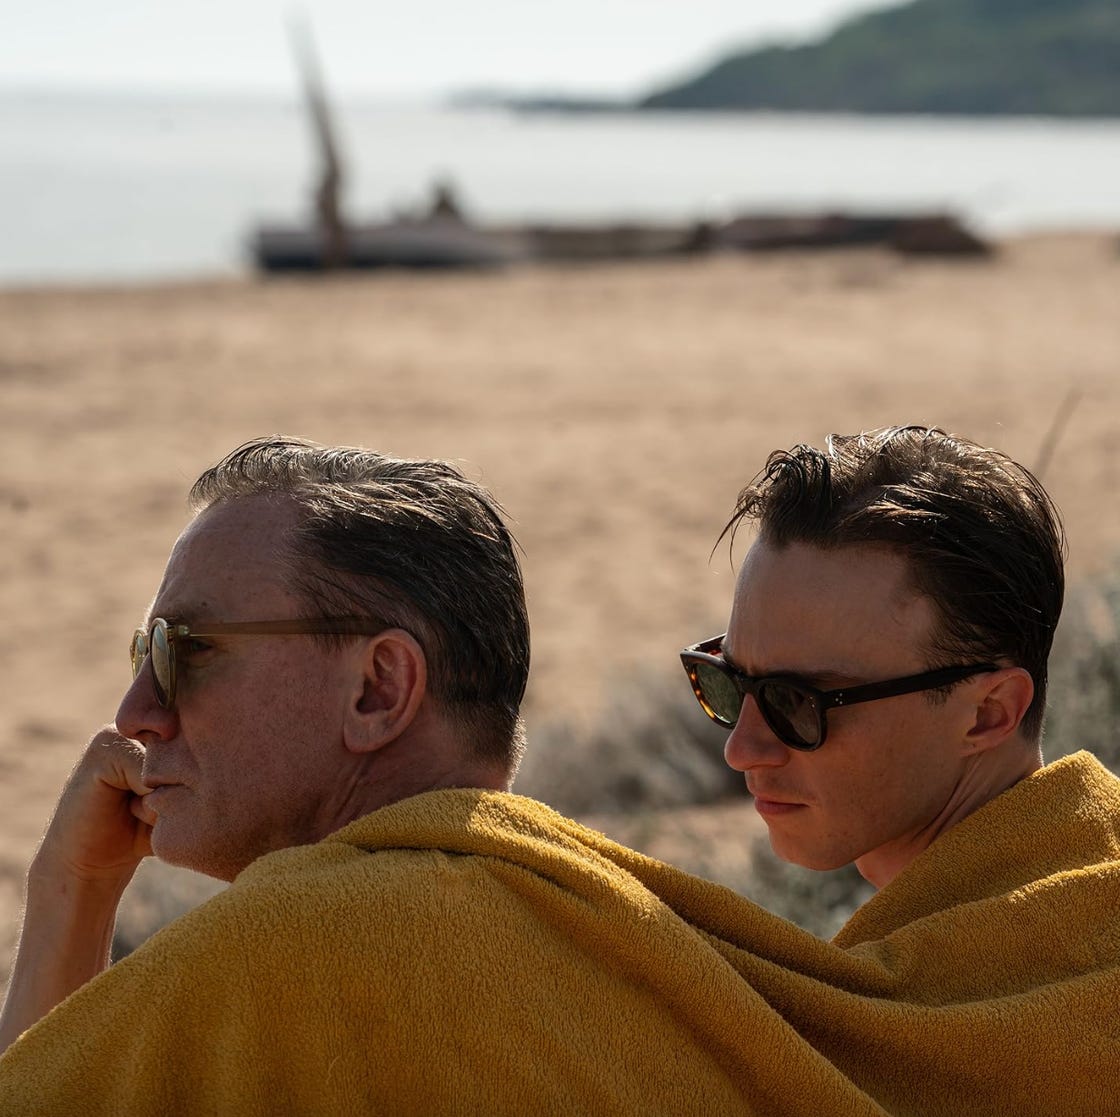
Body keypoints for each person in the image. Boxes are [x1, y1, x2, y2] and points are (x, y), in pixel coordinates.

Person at [1, 430, 1117, 1116]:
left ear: (990, 709)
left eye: (798, 703)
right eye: (724, 683)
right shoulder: (1036, 938)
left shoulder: (316, 950)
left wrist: (66, 902)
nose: (738, 745)